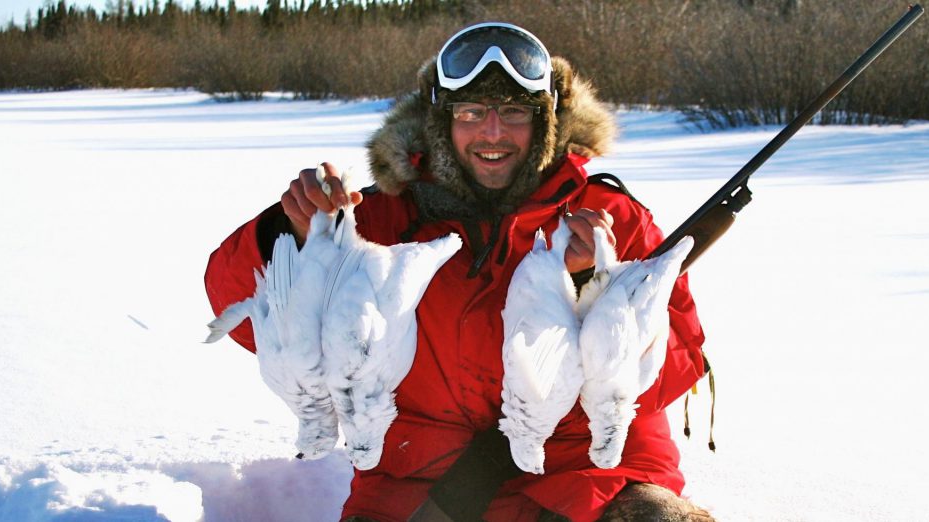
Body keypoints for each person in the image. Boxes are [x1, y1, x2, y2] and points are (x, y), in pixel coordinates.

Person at [205, 22, 712, 521]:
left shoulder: (612, 219)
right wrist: (294, 235)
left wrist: (592, 290)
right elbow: (240, 311)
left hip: (592, 478)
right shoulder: (376, 219)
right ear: (440, 122)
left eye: (515, 112)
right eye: (471, 111)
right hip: (419, 486)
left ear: (546, 123)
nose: (493, 133)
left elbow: (674, 369)